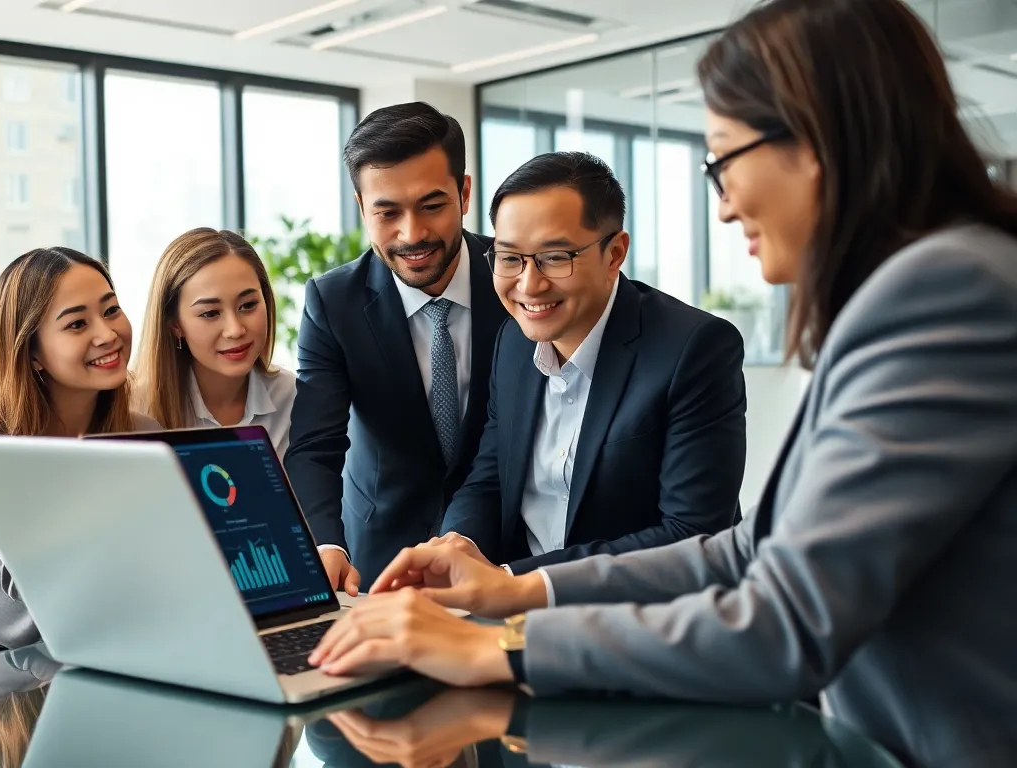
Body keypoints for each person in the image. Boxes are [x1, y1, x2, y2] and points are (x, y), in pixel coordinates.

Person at [308, 1, 1017, 765]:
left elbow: (782, 619)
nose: (721, 206)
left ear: (813, 141)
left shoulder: (943, 292)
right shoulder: (920, 286)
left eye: (722, 161)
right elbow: (748, 553)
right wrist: (515, 592)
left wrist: (505, 649)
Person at [436, 151, 745, 574]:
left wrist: (514, 582)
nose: (529, 284)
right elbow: (490, 477)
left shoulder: (693, 348)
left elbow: (691, 534)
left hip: (645, 621)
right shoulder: (513, 342)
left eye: (555, 257)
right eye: (510, 258)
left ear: (615, 253)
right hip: (516, 616)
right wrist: (458, 544)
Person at [284, 102, 509, 592]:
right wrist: (326, 543)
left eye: (432, 206)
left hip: (503, 552)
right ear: (362, 207)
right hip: (377, 562)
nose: (413, 234)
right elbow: (314, 446)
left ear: (464, 193)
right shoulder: (333, 301)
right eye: (387, 212)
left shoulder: (518, 277)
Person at [0, 247, 160, 661]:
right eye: (77, 323)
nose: (108, 334)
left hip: (100, 647)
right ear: (33, 352)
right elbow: (44, 578)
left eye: (111, 310)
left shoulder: (144, 434)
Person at [136, 227, 295, 457]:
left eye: (248, 305)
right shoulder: (138, 408)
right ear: (175, 325)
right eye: (210, 313)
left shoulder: (293, 397)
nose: (235, 330)